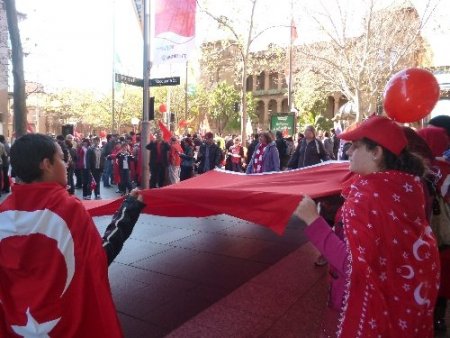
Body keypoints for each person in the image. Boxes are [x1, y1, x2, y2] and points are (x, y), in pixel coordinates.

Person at [294, 116, 440, 337]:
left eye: (355, 146)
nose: (348, 151)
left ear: (376, 152)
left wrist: (313, 220)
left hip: (369, 307)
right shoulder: (406, 188)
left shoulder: (370, 196)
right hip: (403, 304)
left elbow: (352, 265)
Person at [0, 133, 145, 337]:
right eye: (61, 158)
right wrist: (129, 210)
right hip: (67, 326)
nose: (67, 164)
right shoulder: (68, 209)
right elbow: (98, 260)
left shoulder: (3, 213)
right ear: (46, 164)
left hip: (19, 327)